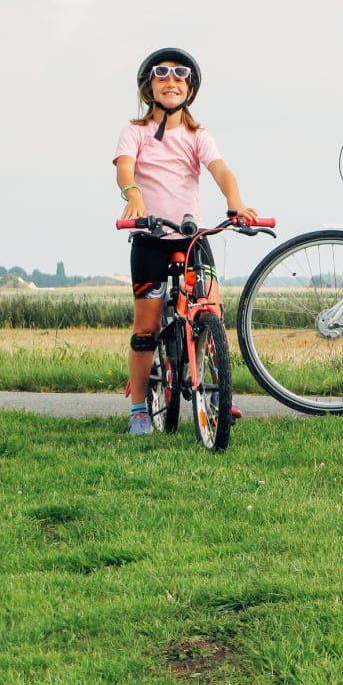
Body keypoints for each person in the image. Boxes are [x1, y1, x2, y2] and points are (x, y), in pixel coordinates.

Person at [113, 47, 257, 436]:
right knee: (146, 327)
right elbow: (125, 167)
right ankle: (140, 408)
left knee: (211, 306)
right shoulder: (136, 132)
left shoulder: (197, 136)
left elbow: (220, 170)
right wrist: (133, 195)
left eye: (180, 74)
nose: (171, 80)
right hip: (150, 237)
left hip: (193, 237)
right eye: (162, 74)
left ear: (189, 88)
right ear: (149, 86)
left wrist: (235, 202)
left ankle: (217, 390)